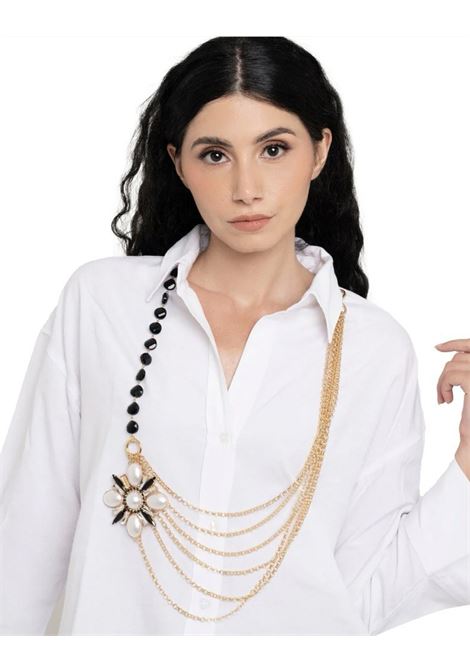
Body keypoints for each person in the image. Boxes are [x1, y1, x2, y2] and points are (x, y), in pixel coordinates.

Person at [1, 36, 469, 636]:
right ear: (178, 163)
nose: (247, 187)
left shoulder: (374, 350)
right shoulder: (101, 305)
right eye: (216, 155)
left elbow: (361, 594)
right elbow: (26, 541)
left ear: (320, 151)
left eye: (274, 149)